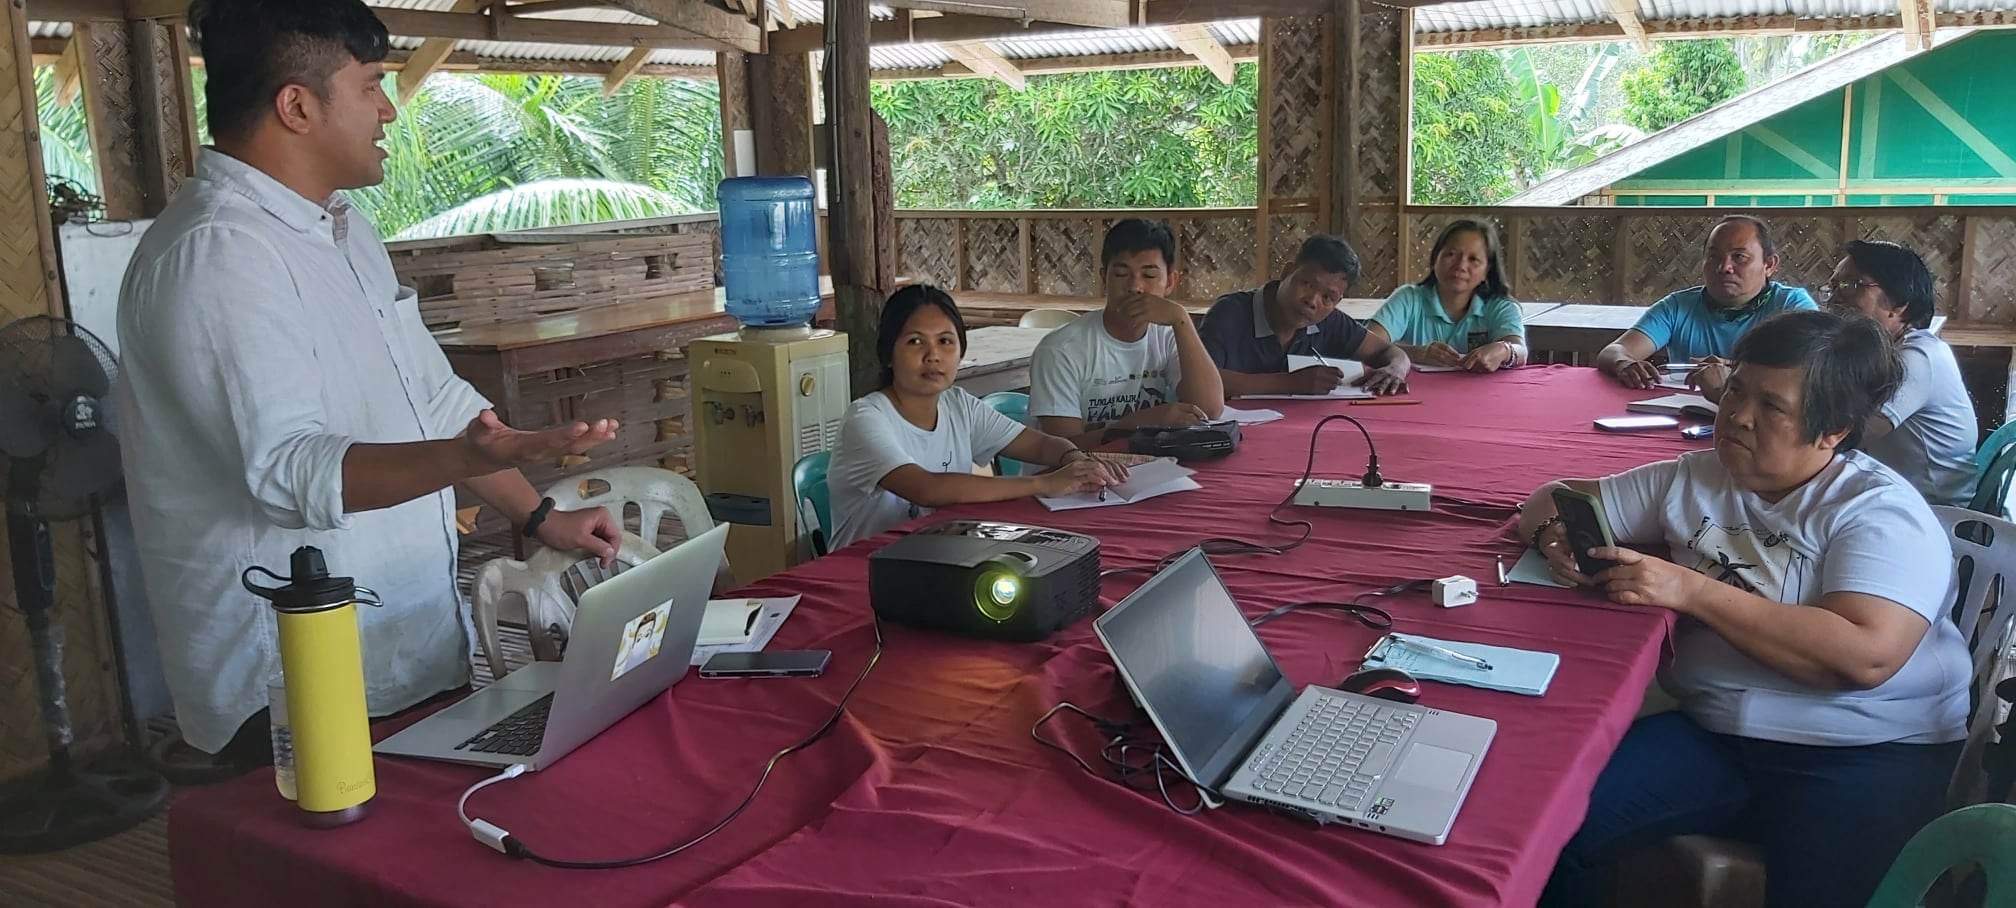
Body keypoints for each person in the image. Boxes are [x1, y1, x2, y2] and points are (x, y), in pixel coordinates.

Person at [115, 0, 622, 764]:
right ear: (297, 106)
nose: (389, 109)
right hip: (289, 680)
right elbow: (289, 474)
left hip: (398, 650)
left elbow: (439, 401)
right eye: (371, 85)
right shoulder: (218, 255)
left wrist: (541, 512)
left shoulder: (342, 230)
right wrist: (463, 460)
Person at [1519, 310, 1968, 907]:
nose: (1737, 415)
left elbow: (1864, 657)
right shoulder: (1700, 478)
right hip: (1721, 733)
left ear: (1831, 429)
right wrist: (1554, 528)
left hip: (1864, 750)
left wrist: (1689, 589)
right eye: (1736, 389)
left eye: (1772, 406)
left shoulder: (1878, 513)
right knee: (1545, 827)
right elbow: (1552, 498)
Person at [828, 286, 1139, 550]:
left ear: (960, 351)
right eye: (915, 342)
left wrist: (1075, 459)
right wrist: (1043, 483)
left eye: (945, 341)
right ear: (887, 354)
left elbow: (1041, 446)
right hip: (864, 568)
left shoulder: (958, 405)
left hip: (939, 555)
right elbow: (927, 489)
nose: (933, 355)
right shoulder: (866, 419)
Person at [1029, 219, 1226, 449]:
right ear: (1104, 279)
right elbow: (1061, 450)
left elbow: (1210, 409)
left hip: (1147, 469)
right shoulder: (1060, 350)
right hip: (1072, 477)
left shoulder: (1168, 336)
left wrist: (1181, 320)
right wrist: (1137, 424)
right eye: (1122, 274)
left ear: (1171, 282)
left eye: (1149, 276)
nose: (1135, 287)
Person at [1819, 240, 1977, 506]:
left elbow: (1851, 435)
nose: (1834, 297)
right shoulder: (1881, 353)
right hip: (1892, 491)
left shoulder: (1918, 358)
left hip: (1936, 511)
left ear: (1899, 303)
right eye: (1833, 287)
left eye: (1850, 285)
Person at [1597, 215, 1817, 391]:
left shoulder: (1791, 305)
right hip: (1684, 420)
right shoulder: (1678, 307)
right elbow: (1613, 351)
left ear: (1769, 265)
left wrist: (1732, 369)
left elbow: (1815, 364)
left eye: (1739, 257)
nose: (1724, 267)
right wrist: (1625, 364)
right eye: (1714, 257)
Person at [1199, 234, 1411, 397]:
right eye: (1307, 284)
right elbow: (1198, 380)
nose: (1312, 301)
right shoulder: (1230, 314)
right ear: (1287, 272)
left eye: (1328, 297)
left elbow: (1388, 351)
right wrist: (1289, 383)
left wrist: (1396, 369)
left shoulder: (1330, 321)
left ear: (1338, 302)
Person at [1368, 219, 1526, 373]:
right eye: (1451, 254)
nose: (1461, 266)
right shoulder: (1409, 299)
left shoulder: (1500, 306)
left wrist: (1504, 350)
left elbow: (1520, 351)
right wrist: (1417, 353)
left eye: (1473, 259)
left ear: (1487, 271)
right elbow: (1367, 343)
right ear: (1435, 258)